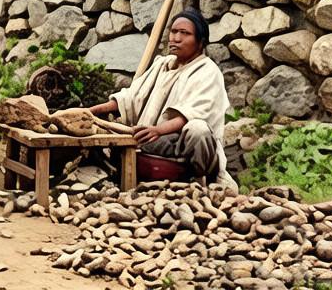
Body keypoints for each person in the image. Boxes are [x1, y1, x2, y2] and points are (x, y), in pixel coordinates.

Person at [89, 9, 236, 188]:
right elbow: (132, 97)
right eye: (174, 31)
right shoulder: (161, 64)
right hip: (152, 142)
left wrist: (158, 130)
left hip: (182, 145)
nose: (176, 38)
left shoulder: (208, 71)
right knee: (108, 132)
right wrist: (92, 111)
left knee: (198, 129)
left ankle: (198, 181)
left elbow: (193, 114)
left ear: (200, 42)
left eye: (185, 33)